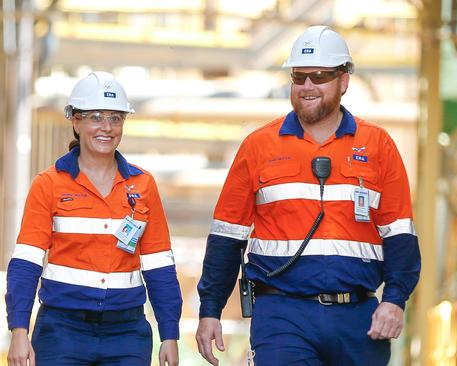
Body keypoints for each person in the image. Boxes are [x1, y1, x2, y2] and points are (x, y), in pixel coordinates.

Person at [196, 25, 421, 365]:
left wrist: (394, 299)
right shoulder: (258, 147)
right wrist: (210, 308)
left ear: (343, 81)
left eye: (319, 76)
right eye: (299, 77)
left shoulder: (378, 146)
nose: (308, 86)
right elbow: (227, 236)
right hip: (282, 315)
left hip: (358, 318)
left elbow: (400, 234)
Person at [5, 71, 182, 366]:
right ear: (75, 120)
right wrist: (19, 331)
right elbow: (26, 264)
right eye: (96, 116)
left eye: (115, 118)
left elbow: (159, 267)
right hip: (61, 331)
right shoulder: (48, 184)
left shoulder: (143, 185)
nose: (107, 127)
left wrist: (170, 335)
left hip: (126, 333)